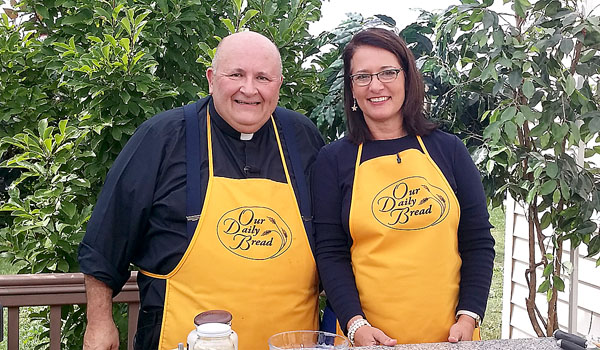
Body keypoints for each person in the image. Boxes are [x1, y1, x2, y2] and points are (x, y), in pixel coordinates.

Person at [79, 31, 325, 350]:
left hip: (292, 343)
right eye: (236, 74)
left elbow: (335, 238)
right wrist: (99, 322)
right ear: (211, 79)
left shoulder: (302, 138)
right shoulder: (162, 138)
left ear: (278, 85)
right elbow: (105, 241)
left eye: (262, 77)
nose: (249, 89)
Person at [312, 27, 495, 347]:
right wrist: (356, 326)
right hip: (367, 339)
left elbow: (477, 240)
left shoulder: (448, 150)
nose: (376, 85)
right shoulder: (333, 160)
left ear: (407, 78)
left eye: (387, 72)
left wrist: (469, 316)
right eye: (362, 76)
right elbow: (331, 254)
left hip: (450, 338)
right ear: (351, 89)